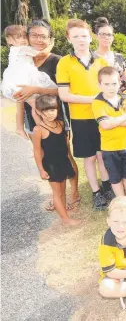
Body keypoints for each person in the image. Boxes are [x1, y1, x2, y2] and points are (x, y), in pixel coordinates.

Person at [12, 18, 79, 211]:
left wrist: (36, 89)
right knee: (43, 155)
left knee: (64, 154)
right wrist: (20, 124)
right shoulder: (22, 62)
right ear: (27, 37)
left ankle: (74, 190)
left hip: (56, 115)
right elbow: (18, 93)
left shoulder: (57, 61)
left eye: (43, 36)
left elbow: (63, 91)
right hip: (31, 116)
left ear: (50, 39)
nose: (39, 40)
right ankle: (57, 194)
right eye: (34, 35)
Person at [57, 19, 113, 211]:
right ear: (69, 39)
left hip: (102, 116)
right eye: (75, 36)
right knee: (89, 158)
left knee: (102, 155)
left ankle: (107, 187)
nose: (80, 40)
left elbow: (109, 89)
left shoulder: (101, 61)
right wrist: (94, 99)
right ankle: (96, 192)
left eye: (83, 35)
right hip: (81, 119)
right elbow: (64, 95)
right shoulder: (64, 63)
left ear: (90, 36)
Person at [32, 95, 81, 226]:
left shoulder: (61, 123)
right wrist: (41, 170)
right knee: (57, 192)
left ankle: (64, 213)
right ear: (39, 112)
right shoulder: (38, 130)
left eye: (53, 110)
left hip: (63, 162)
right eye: (46, 111)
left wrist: (69, 159)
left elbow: (65, 145)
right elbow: (37, 151)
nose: (51, 113)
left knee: (63, 190)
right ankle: (65, 219)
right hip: (51, 165)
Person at [92, 67, 126, 198]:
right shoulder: (97, 103)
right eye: (106, 84)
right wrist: (124, 117)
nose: (110, 87)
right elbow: (105, 125)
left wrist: (114, 120)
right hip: (110, 148)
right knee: (115, 177)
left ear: (119, 83)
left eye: (114, 83)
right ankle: (120, 200)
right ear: (99, 85)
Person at [1, 25, 57, 137]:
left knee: (21, 105)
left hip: (16, 81)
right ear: (10, 40)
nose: (23, 40)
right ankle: (41, 125)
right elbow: (42, 54)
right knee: (34, 103)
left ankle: (20, 128)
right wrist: (51, 44)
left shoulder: (13, 50)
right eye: (18, 37)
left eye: (24, 37)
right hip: (23, 80)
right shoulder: (22, 49)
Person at [94, 17, 126, 91]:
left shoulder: (119, 58)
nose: (106, 37)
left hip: (118, 98)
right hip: (97, 98)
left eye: (109, 35)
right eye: (103, 34)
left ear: (112, 37)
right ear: (97, 36)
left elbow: (125, 82)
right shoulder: (91, 58)